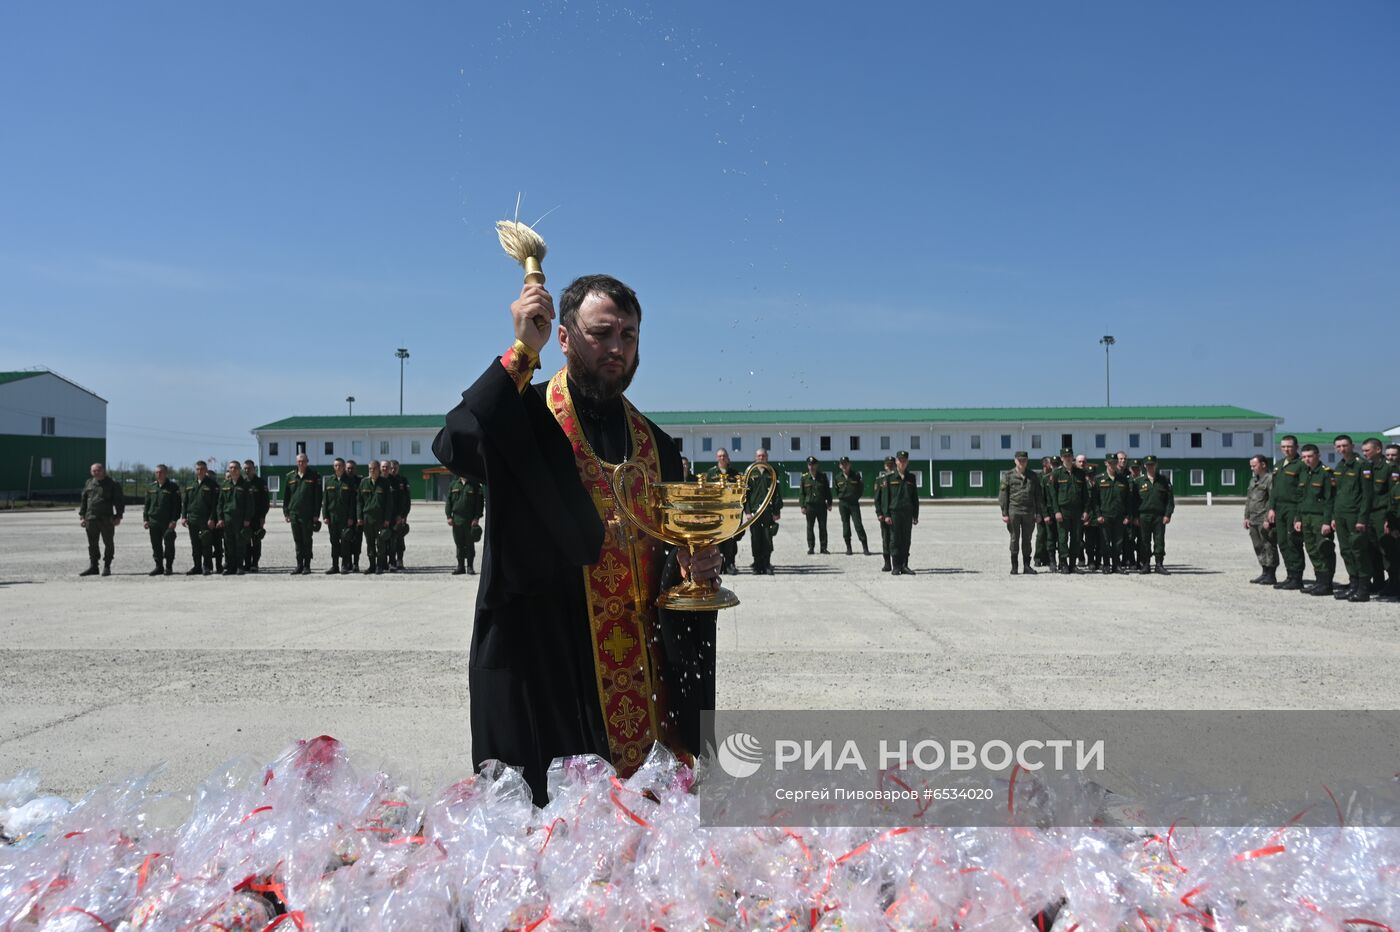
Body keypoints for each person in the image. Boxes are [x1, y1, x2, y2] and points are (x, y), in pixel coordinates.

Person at [431, 273, 721, 805]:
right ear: (562, 337)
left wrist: (693, 568)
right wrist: (522, 350)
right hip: (553, 662)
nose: (617, 348)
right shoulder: (528, 416)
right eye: (601, 332)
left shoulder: (658, 445)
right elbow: (455, 441)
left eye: (629, 336)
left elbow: (677, 550)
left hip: (644, 673)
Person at [1329, 435, 1374, 602]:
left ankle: (1363, 589)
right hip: (1341, 515)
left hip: (1355, 515)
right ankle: (1353, 585)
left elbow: (1367, 495)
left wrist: (1362, 518)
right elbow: (1337, 494)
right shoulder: (1340, 466)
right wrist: (1334, 516)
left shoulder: (1363, 465)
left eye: (1345, 445)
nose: (1342, 449)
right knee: (1346, 550)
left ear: (1352, 446)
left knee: (1359, 551)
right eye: (1338, 446)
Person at [1267, 435, 1307, 590]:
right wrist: (1272, 508)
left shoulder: (1301, 465)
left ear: (1296, 447)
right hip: (1280, 509)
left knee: (1293, 542)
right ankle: (1290, 575)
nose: (1286, 449)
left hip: (1293, 507)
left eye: (1289, 446)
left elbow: (1302, 490)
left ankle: (1297, 577)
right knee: (1282, 542)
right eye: (1283, 447)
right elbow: (1274, 490)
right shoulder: (1278, 465)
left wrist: (1298, 514)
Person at [1295, 443, 1336, 596]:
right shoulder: (1304, 473)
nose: (1307, 459)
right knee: (1311, 549)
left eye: (1310, 456)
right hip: (1306, 517)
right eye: (1304, 457)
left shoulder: (1326, 473)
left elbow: (1330, 499)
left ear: (1318, 456)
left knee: (1324, 549)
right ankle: (1319, 581)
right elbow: (1300, 497)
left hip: (1320, 518)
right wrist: (1298, 518)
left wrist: (1327, 521)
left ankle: (1326, 584)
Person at [998, 451, 1041, 575]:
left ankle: (1027, 566)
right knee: (1014, 538)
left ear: (1027, 461)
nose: (1022, 462)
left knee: (1027, 539)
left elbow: (1038, 496)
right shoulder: (1008, 476)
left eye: (1024, 460)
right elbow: (1003, 495)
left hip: (1029, 511)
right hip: (1014, 511)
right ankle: (1014, 566)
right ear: (1015, 460)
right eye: (1019, 460)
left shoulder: (1033, 476)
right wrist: (1004, 513)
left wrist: (1038, 513)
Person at [78, 462, 124, 577]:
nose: (96, 472)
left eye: (98, 470)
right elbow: (84, 500)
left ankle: (107, 566)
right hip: (91, 518)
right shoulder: (89, 483)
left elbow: (119, 501)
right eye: (93, 471)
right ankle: (94, 566)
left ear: (103, 470)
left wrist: (118, 516)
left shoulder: (112, 484)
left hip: (106, 519)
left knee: (108, 543)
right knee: (92, 543)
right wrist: (82, 516)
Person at [879, 451, 919, 575]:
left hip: (907, 513)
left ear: (907, 462)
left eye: (904, 461)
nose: (902, 463)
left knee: (906, 539)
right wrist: (886, 515)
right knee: (895, 539)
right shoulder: (889, 478)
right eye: (900, 460)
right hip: (894, 513)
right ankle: (896, 566)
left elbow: (915, 498)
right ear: (896, 462)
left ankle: (904, 565)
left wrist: (915, 515)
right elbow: (885, 499)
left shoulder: (911, 477)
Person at [1361, 437, 1391, 598]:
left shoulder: (1389, 468)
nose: (1364, 453)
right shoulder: (1366, 467)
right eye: (1363, 450)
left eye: (1367, 450)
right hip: (1369, 514)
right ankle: (1378, 581)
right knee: (1371, 549)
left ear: (1378, 450)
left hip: (1382, 513)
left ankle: (1394, 583)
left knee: (1387, 550)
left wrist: (1389, 519)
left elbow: (1393, 495)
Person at [744, 447, 782, 574]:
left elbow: (777, 493)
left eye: (763, 456)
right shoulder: (750, 472)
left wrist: (776, 511)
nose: (761, 458)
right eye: (759, 456)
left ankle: (766, 563)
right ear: (755, 457)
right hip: (754, 512)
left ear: (767, 457)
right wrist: (747, 511)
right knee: (755, 538)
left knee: (767, 538)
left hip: (767, 511)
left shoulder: (772, 472)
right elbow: (745, 494)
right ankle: (757, 564)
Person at [283, 452, 322, 574]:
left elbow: (318, 497)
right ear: (296, 462)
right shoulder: (290, 476)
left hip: (308, 514)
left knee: (307, 540)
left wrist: (316, 514)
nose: (301, 463)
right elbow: (286, 496)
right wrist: (286, 512)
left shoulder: (314, 476)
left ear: (307, 462)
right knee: (297, 540)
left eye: (303, 461)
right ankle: (299, 565)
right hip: (294, 513)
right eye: (299, 461)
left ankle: (307, 565)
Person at [1091, 455, 1131, 574]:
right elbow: (1095, 500)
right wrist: (1098, 515)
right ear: (1106, 463)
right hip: (1105, 516)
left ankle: (1116, 565)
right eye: (1110, 463)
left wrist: (1127, 516)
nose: (1112, 465)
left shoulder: (1123, 479)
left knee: (1118, 542)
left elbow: (1128, 500)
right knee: (1105, 542)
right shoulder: (1099, 479)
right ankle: (1106, 565)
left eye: (1114, 462)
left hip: (1119, 516)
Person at [1135, 455, 1174, 574]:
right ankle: (1146, 564)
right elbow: (1134, 501)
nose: (1150, 467)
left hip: (1159, 516)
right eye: (1148, 465)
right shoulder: (1139, 481)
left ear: (1156, 465)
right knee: (1144, 541)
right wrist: (1135, 517)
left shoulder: (1164, 480)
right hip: (1144, 516)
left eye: (1152, 465)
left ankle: (1159, 564)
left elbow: (1169, 500)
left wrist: (1168, 515)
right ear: (1145, 466)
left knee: (1159, 540)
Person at [1050, 448, 1088, 574]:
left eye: (1069, 456)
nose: (1067, 458)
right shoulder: (1057, 474)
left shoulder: (1080, 473)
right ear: (1061, 458)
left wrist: (1085, 511)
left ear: (1073, 457)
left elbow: (1085, 494)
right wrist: (1056, 511)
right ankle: (1063, 563)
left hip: (1077, 511)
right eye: (1065, 456)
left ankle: (1073, 564)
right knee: (1062, 538)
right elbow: (1053, 495)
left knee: (1076, 538)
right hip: (1063, 511)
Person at [705, 448, 742, 574]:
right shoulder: (710, 474)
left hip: (730, 511)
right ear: (716, 458)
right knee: (717, 540)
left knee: (731, 539)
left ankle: (730, 563)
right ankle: (718, 565)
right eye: (719, 456)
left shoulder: (734, 473)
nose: (722, 458)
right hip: (716, 511)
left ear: (727, 457)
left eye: (724, 456)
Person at [357, 460, 397, 574]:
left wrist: (387, 519)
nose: (372, 471)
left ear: (378, 469)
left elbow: (389, 503)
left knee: (381, 543)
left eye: (374, 468)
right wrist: (359, 517)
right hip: (367, 519)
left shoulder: (384, 483)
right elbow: (359, 502)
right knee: (370, 543)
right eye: (370, 469)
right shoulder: (364, 482)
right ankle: (372, 566)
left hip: (380, 519)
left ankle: (380, 566)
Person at [182, 460, 221, 575]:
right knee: (195, 545)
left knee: (206, 544)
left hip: (206, 520)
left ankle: (206, 566)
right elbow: (185, 503)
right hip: (192, 519)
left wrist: (212, 518)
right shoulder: (190, 484)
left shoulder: (212, 485)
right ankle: (197, 566)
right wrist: (183, 516)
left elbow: (215, 504)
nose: (200, 471)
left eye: (202, 469)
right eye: (198, 469)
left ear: (206, 470)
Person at [1243, 454, 1278, 585]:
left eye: (1254, 466)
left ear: (1263, 464)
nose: (1252, 468)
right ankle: (1264, 571)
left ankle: (1271, 574)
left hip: (1264, 519)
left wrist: (1267, 519)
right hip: (1253, 519)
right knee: (1258, 546)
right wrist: (1246, 517)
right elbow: (1249, 500)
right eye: (1251, 466)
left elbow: (1271, 500)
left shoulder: (1270, 479)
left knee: (1269, 545)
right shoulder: (1253, 480)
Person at [142, 464, 181, 576]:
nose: (159, 474)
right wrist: (145, 519)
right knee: (156, 545)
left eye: (161, 472)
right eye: (157, 472)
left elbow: (177, 506)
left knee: (169, 544)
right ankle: (159, 566)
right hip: (153, 521)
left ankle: (168, 567)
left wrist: (174, 520)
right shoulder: (151, 487)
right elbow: (147, 505)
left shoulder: (173, 487)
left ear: (166, 473)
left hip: (167, 522)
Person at [322, 458, 357, 575]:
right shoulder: (329, 481)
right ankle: (334, 565)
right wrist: (325, 515)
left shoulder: (349, 482)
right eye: (336, 465)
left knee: (345, 542)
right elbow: (325, 501)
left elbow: (353, 502)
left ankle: (345, 565)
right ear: (334, 467)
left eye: (340, 465)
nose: (338, 467)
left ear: (343, 467)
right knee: (334, 542)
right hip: (332, 517)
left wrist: (351, 517)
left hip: (345, 517)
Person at [216, 460, 251, 576]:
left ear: (239, 469)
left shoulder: (245, 485)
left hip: (240, 520)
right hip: (227, 519)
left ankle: (240, 566)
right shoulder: (225, 485)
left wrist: (247, 519)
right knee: (228, 544)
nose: (233, 470)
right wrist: (220, 518)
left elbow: (250, 504)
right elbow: (220, 504)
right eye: (231, 468)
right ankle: (230, 567)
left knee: (240, 544)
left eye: (235, 468)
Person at [446, 474, 484, 574]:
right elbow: (448, 502)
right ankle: (460, 566)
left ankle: (470, 567)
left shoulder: (475, 485)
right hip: (456, 520)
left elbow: (479, 504)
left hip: (470, 520)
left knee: (470, 544)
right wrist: (449, 516)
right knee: (459, 544)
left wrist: (476, 518)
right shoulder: (453, 484)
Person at [833, 456, 871, 556]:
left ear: (849, 464)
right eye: (842, 464)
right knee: (846, 525)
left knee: (858, 525)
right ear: (840, 466)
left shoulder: (856, 475)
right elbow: (836, 491)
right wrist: (842, 497)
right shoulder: (837, 477)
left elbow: (860, 489)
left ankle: (865, 547)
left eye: (846, 464)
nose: (844, 466)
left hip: (854, 504)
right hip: (843, 504)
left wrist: (855, 497)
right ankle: (848, 548)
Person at [800, 455, 833, 555]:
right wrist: (802, 506)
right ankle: (811, 547)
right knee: (810, 527)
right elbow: (802, 493)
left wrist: (829, 503)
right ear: (808, 466)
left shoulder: (822, 477)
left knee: (823, 527)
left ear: (816, 465)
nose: (812, 467)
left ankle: (823, 548)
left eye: (813, 465)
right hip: (810, 506)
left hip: (821, 506)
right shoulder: (804, 478)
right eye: (810, 465)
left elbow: (828, 491)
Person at [242, 460, 270, 572]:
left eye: (249, 468)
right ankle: (247, 563)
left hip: (257, 517)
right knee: (245, 541)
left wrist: (263, 517)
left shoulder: (260, 483)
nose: (247, 470)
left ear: (254, 469)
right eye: (245, 468)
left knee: (256, 541)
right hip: (245, 519)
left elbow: (265, 502)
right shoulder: (242, 483)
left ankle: (255, 563)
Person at [1382, 444, 1400, 602]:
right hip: (1391, 516)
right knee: (1390, 554)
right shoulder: (1383, 470)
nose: (1390, 458)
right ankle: (1392, 582)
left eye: (1394, 455)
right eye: (1388, 455)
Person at [874, 455, 897, 571]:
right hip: (884, 516)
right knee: (886, 539)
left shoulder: (898, 479)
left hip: (896, 514)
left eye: (892, 465)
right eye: (888, 465)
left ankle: (897, 564)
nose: (890, 467)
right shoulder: (880, 480)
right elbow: (877, 499)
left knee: (896, 539)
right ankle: (887, 563)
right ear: (884, 466)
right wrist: (879, 513)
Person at [388, 460, 412, 571]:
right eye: (392, 468)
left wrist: (404, 516)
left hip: (400, 516)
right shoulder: (385, 480)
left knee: (400, 539)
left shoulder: (403, 480)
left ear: (399, 468)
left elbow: (407, 500)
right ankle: (389, 561)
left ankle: (399, 560)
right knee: (389, 539)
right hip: (388, 516)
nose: (393, 470)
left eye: (396, 468)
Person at [1035, 457, 1058, 568]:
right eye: (1051, 464)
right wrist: (1037, 513)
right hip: (1040, 510)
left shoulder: (1054, 477)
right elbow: (1037, 497)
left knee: (1051, 536)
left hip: (1050, 511)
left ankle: (1048, 559)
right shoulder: (1039, 477)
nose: (1053, 465)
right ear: (1045, 465)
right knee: (1041, 536)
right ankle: (1038, 558)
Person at [344, 459, 364, 571]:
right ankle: (348, 563)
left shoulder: (361, 481)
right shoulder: (343, 481)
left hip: (358, 517)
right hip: (345, 516)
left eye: (352, 468)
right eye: (348, 468)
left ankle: (356, 563)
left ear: (356, 469)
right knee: (346, 540)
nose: (350, 470)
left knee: (357, 540)